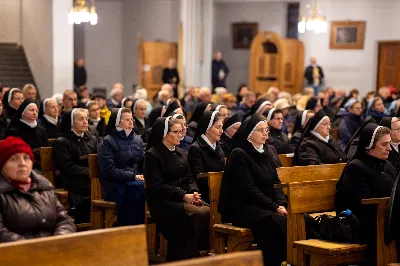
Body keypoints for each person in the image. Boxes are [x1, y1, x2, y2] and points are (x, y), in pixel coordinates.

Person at [218, 114, 287, 266]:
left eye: (266, 130)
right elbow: (248, 189)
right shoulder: (239, 154)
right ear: (250, 133)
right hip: (243, 206)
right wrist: (274, 207)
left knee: (299, 219)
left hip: (265, 205)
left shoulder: (267, 151)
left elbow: (276, 182)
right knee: (275, 224)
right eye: (261, 130)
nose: (265, 133)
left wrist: (282, 203)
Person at [144, 117, 209, 261]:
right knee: (199, 214)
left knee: (208, 210)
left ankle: (192, 255)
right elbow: (156, 187)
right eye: (176, 132)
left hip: (183, 198)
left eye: (181, 131)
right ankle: (185, 257)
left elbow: (190, 178)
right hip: (162, 202)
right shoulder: (152, 155)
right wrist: (184, 196)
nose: (181, 135)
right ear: (164, 133)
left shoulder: (181, 152)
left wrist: (193, 192)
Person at [335, 124, 395, 264]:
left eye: (390, 144)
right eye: (384, 144)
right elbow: (361, 205)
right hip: (362, 224)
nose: (389, 149)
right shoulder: (355, 167)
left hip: (386, 218)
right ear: (369, 146)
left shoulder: (387, 165)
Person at [0, 136, 76, 242]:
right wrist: (33, 249)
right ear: (2, 165)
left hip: (53, 250)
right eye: (14, 159)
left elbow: (64, 220)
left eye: (26, 158)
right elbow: (2, 233)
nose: (22, 163)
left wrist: (58, 240)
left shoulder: (43, 186)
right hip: (15, 254)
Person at [98, 108, 145, 225]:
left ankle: (144, 230)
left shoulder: (137, 139)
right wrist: (133, 176)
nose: (131, 122)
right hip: (114, 185)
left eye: (132, 119)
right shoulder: (107, 142)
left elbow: (143, 163)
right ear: (117, 122)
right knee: (136, 190)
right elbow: (109, 170)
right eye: (127, 120)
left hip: (135, 180)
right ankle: (129, 230)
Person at [55, 109, 98, 223]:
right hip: (74, 180)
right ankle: (85, 226)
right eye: (81, 119)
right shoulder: (62, 141)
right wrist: (90, 172)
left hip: (92, 179)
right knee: (87, 195)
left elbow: (98, 158)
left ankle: (99, 225)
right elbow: (67, 166)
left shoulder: (92, 139)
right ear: (71, 122)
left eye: (86, 119)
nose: (85, 122)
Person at [188, 111, 225, 203]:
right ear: (207, 129)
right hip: (205, 195)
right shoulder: (195, 149)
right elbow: (199, 178)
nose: (221, 131)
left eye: (222, 127)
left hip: (220, 191)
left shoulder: (219, 146)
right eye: (218, 127)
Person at [6, 99, 48, 169]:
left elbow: (46, 151)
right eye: (31, 110)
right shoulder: (14, 131)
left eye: (36, 111)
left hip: (42, 165)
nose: (35, 113)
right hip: (22, 165)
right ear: (23, 111)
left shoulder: (41, 130)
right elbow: (15, 153)